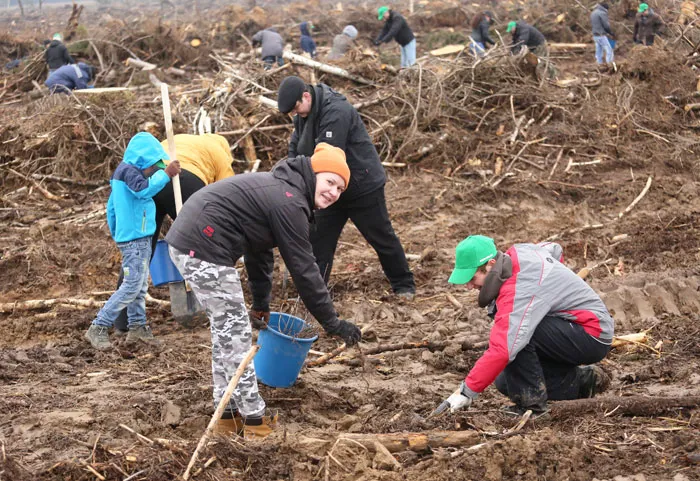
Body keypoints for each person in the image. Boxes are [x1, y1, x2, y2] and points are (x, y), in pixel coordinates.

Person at [166, 143, 362, 438]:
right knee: (236, 339)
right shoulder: (288, 201)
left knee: (227, 333)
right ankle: (255, 420)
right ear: (313, 173)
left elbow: (259, 252)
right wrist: (332, 323)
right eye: (330, 181)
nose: (334, 192)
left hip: (192, 244)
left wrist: (260, 304)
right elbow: (304, 268)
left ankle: (226, 415)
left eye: (340, 189)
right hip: (204, 246)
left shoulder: (283, 191)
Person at [438, 235, 614, 417]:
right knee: (506, 382)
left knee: (518, 335)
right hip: (568, 330)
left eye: (472, 278)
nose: (468, 286)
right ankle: (583, 382)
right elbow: (553, 249)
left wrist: (466, 392)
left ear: (491, 264)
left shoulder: (519, 287)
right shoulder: (517, 254)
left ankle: (533, 408)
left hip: (592, 331)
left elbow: (503, 349)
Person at [277, 75, 416, 299]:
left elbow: (328, 155)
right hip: (329, 189)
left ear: (305, 95)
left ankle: (403, 285)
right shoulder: (303, 114)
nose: (296, 114)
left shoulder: (336, 111)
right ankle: (315, 294)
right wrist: (289, 175)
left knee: (381, 236)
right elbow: (296, 149)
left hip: (362, 185)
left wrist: (305, 182)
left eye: (296, 108)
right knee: (319, 241)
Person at [114, 133, 235, 332]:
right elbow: (227, 192)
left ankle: (122, 320)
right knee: (204, 244)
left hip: (152, 177)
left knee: (141, 250)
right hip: (186, 179)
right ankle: (218, 306)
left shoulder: (183, 140)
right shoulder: (219, 152)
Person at [84, 133, 181, 350]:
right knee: (131, 286)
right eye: (151, 168)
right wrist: (166, 174)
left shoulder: (124, 173)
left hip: (139, 237)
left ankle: (137, 327)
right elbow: (143, 189)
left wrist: (118, 231)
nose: (153, 172)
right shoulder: (128, 172)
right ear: (142, 161)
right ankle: (98, 326)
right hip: (134, 239)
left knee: (139, 286)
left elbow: (111, 208)